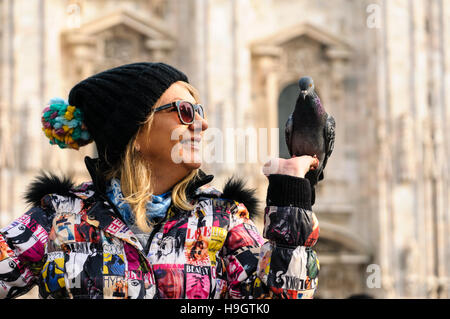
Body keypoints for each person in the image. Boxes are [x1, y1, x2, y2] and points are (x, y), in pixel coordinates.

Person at [0, 62, 320, 299]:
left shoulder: (222, 217)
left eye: (199, 110)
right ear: (134, 133)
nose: (203, 123)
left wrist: (291, 195)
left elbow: (282, 293)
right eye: (184, 111)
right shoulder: (60, 215)